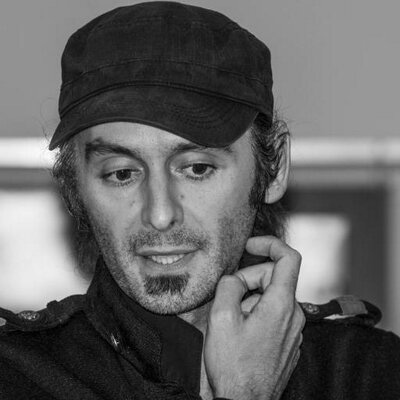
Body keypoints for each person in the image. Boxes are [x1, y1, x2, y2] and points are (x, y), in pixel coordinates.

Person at [0, 2, 399, 399]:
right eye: (122, 174)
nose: (160, 214)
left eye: (197, 168)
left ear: (274, 167)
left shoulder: (371, 375)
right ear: (74, 187)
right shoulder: (15, 377)